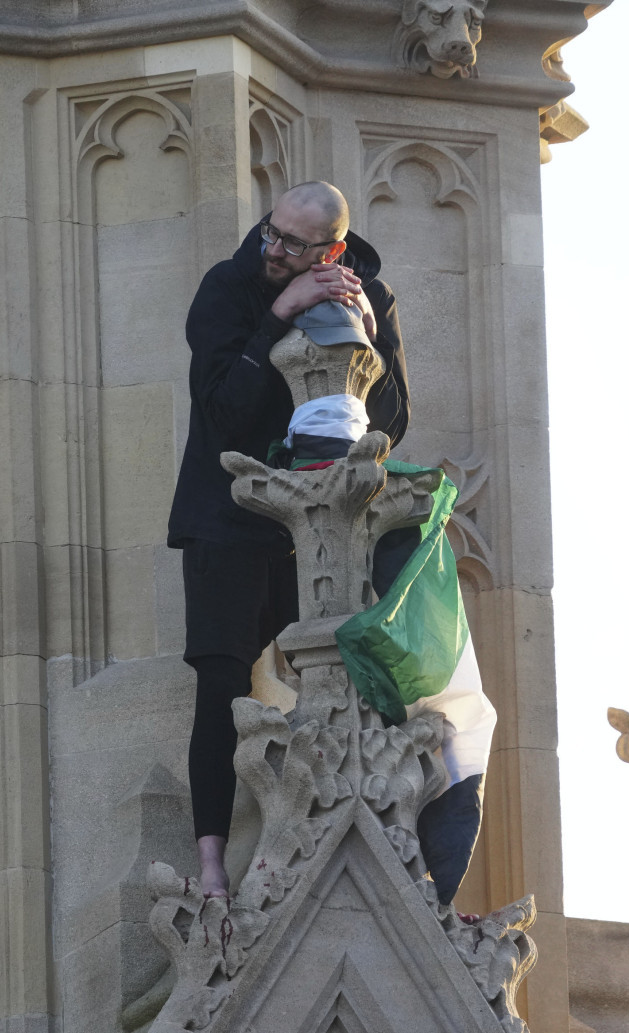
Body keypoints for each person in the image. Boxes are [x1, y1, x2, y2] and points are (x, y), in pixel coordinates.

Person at [167, 181, 410, 898]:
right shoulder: (230, 285)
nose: (272, 249)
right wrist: (278, 313)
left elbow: (391, 419)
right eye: (270, 233)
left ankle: (368, 842)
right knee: (219, 680)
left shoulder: (368, 289)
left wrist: (364, 329)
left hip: (326, 519)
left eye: (293, 245)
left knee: (354, 666)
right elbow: (223, 411)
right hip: (228, 513)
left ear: (330, 249)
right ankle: (211, 863)